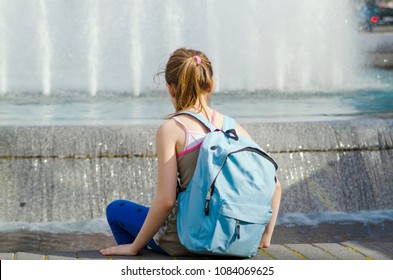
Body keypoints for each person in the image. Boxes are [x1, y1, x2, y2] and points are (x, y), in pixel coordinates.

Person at [100, 48, 281, 257]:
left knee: (116, 209)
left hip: (185, 240)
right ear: (211, 85)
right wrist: (264, 237)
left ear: (170, 88)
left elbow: (166, 200)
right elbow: (274, 186)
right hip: (232, 240)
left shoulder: (173, 129)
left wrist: (133, 247)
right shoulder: (234, 128)